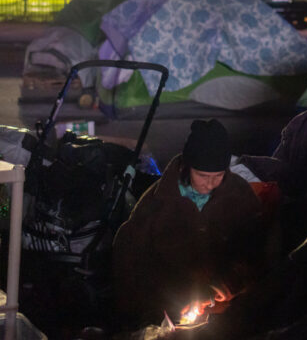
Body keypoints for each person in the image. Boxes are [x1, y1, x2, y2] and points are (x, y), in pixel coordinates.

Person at [112, 119, 266, 329]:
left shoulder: (239, 195)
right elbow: (132, 256)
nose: (210, 184)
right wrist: (165, 300)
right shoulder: (160, 200)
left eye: (218, 176)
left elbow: (257, 251)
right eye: (202, 175)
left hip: (225, 308)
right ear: (187, 167)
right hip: (170, 306)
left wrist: (227, 284)